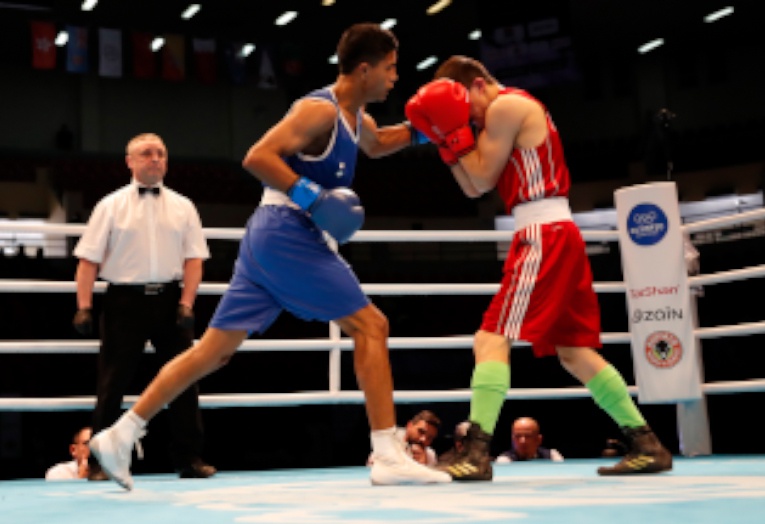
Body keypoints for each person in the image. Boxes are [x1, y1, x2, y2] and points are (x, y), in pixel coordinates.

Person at [88, 23, 450, 490]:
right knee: (371, 326)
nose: (395, 78)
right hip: (287, 232)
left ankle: (119, 435)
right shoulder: (319, 110)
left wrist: (430, 133)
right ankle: (387, 454)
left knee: (212, 352)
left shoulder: (355, 116)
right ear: (365, 69)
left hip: (272, 235)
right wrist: (312, 197)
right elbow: (257, 156)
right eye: (391, 68)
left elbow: (378, 144)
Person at [405, 55, 673, 481]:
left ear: (477, 85)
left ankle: (476, 451)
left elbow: (482, 176)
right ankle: (647, 444)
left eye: (466, 110)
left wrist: (451, 135)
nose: (470, 120)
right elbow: (473, 187)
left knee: (490, 337)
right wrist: (447, 143)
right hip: (552, 232)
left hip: (543, 232)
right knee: (573, 352)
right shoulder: (495, 115)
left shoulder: (507, 106)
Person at [73, 132, 216, 482]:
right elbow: (88, 261)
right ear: (130, 161)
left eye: (161, 153)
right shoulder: (110, 205)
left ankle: (189, 457)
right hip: (124, 302)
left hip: (170, 301)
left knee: (184, 379)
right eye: (147, 153)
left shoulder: (184, 206)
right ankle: (99, 462)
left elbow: (194, 260)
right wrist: (84, 306)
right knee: (113, 382)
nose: (155, 159)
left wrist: (186, 303)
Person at [366, 409, 441, 467]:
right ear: (409, 426)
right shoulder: (388, 445)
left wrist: (423, 466)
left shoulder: (430, 455)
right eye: (421, 431)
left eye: (430, 438)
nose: (423, 439)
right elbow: (373, 471)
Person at [494, 417, 563, 463]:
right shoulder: (504, 461)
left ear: (538, 440)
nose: (522, 441)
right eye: (517, 436)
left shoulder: (552, 456)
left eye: (528, 436)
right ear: (512, 439)